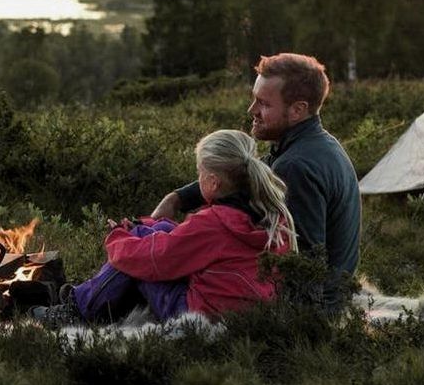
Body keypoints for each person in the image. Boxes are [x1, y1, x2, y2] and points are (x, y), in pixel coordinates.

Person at [151, 53, 361, 310]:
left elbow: (305, 262)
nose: (252, 110)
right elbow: (248, 173)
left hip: (310, 308)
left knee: (157, 275)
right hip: (328, 297)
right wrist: (178, 198)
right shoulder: (314, 145)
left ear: (297, 110)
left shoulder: (295, 167)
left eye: (263, 104)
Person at [34, 129, 295, 327]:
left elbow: (152, 260)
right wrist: (146, 227)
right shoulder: (272, 213)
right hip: (245, 309)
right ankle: (85, 298)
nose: (198, 178)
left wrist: (117, 236)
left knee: (134, 256)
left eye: (199, 172)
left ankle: (77, 310)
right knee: (152, 229)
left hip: (200, 314)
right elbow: (188, 242)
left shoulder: (214, 223)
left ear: (214, 182)